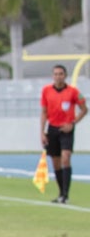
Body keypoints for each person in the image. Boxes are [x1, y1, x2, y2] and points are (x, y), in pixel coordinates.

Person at [40, 64, 86, 204]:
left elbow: (84, 109)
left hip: (66, 129)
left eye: (61, 74)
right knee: (56, 163)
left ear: (65, 76)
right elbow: (43, 112)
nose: (58, 76)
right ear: (53, 76)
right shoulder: (46, 91)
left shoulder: (73, 92)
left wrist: (72, 123)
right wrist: (42, 132)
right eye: (56, 74)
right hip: (52, 129)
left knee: (66, 157)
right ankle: (61, 193)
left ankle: (66, 194)